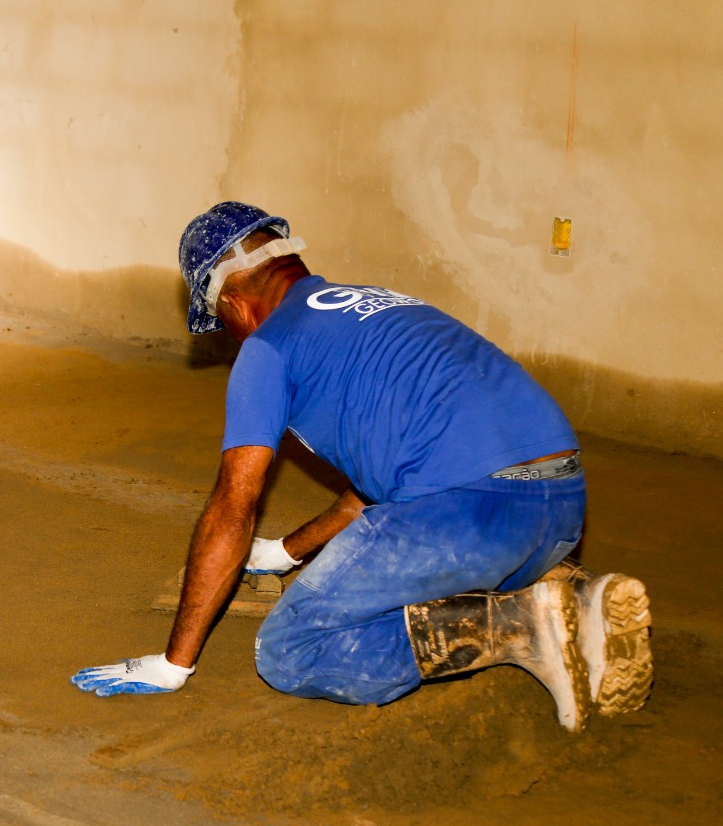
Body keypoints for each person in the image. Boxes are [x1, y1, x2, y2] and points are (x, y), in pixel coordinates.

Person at [72, 202, 652, 729]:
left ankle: (518, 627)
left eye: (222, 323)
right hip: (560, 510)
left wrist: (175, 663)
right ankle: (563, 591)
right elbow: (378, 485)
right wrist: (283, 553)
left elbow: (234, 504)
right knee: (421, 521)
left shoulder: (268, 346)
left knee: (292, 652)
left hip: (468, 513)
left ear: (231, 301)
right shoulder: (379, 307)